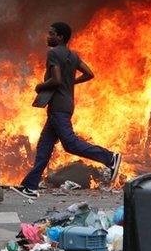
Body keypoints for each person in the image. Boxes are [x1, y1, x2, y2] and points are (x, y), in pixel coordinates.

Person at [12, 22, 122, 199]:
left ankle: (110, 158)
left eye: (51, 34)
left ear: (60, 37)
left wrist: (40, 86)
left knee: (70, 143)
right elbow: (89, 73)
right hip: (66, 104)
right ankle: (29, 186)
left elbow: (55, 80)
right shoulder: (72, 55)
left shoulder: (53, 53)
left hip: (58, 106)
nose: (48, 37)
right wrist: (70, 83)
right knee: (44, 146)